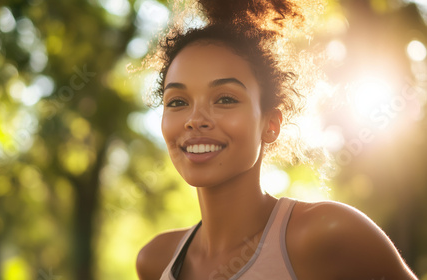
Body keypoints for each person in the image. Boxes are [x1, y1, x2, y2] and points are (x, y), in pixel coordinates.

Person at [136, 0, 419, 279]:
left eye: (224, 99)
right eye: (177, 102)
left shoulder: (328, 235)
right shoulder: (155, 260)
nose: (194, 119)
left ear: (270, 124)